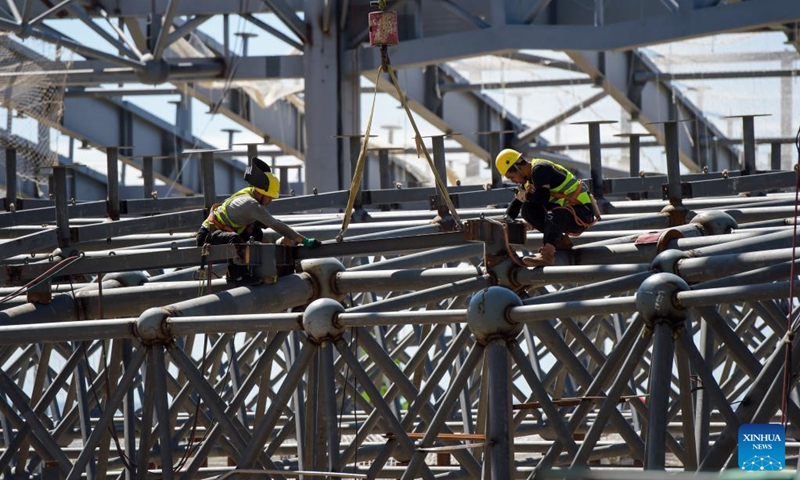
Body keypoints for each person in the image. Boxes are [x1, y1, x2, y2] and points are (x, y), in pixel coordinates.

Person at [196, 158, 321, 285]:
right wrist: (304, 240)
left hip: (220, 231)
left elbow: (266, 222)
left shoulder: (250, 193)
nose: (270, 201)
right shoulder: (251, 204)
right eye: (269, 197)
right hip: (207, 237)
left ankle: (252, 267)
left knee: (256, 231)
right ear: (261, 193)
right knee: (233, 239)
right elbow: (276, 225)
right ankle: (238, 277)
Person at [495, 148, 599, 267]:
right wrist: (506, 221)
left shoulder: (540, 169)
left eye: (512, 177)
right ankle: (560, 241)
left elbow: (542, 198)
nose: (513, 181)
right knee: (527, 210)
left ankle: (547, 255)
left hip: (582, 213)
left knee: (554, 214)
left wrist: (527, 196)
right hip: (567, 214)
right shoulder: (528, 180)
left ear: (518, 167)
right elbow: (517, 205)